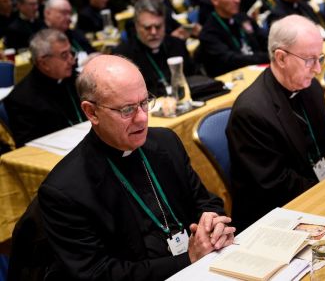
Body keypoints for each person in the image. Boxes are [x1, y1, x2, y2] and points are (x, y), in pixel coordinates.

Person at [36, 55, 235, 280]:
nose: (142, 119)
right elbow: (99, 274)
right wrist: (187, 259)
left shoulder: (166, 142)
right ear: (91, 112)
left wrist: (212, 224)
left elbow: (204, 200)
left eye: (144, 103)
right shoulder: (65, 190)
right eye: (127, 110)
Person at [226, 15, 325, 231]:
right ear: (281, 58)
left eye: (320, 58)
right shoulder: (251, 112)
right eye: (309, 60)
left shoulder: (311, 88)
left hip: (318, 195)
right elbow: (275, 185)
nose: (317, 69)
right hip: (275, 218)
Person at [3, 29, 84, 147]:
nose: (71, 60)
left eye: (71, 52)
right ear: (44, 63)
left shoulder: (76, 79)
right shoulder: (21, 99)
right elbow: (29, 148)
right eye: (64, 55)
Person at [113, 0, 196, 96]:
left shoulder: (177, 44)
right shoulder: (123, 56)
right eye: (147, 28)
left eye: (158, 26)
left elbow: (194, 78)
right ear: (136, 26)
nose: (153, 32)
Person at [198, 0, 268, 77]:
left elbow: (265, 39)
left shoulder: (242, 17)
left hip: (261, 71)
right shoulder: (209, 33)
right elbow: (232, 60)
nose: (237, 0)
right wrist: (267, 56)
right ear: (215, 0)